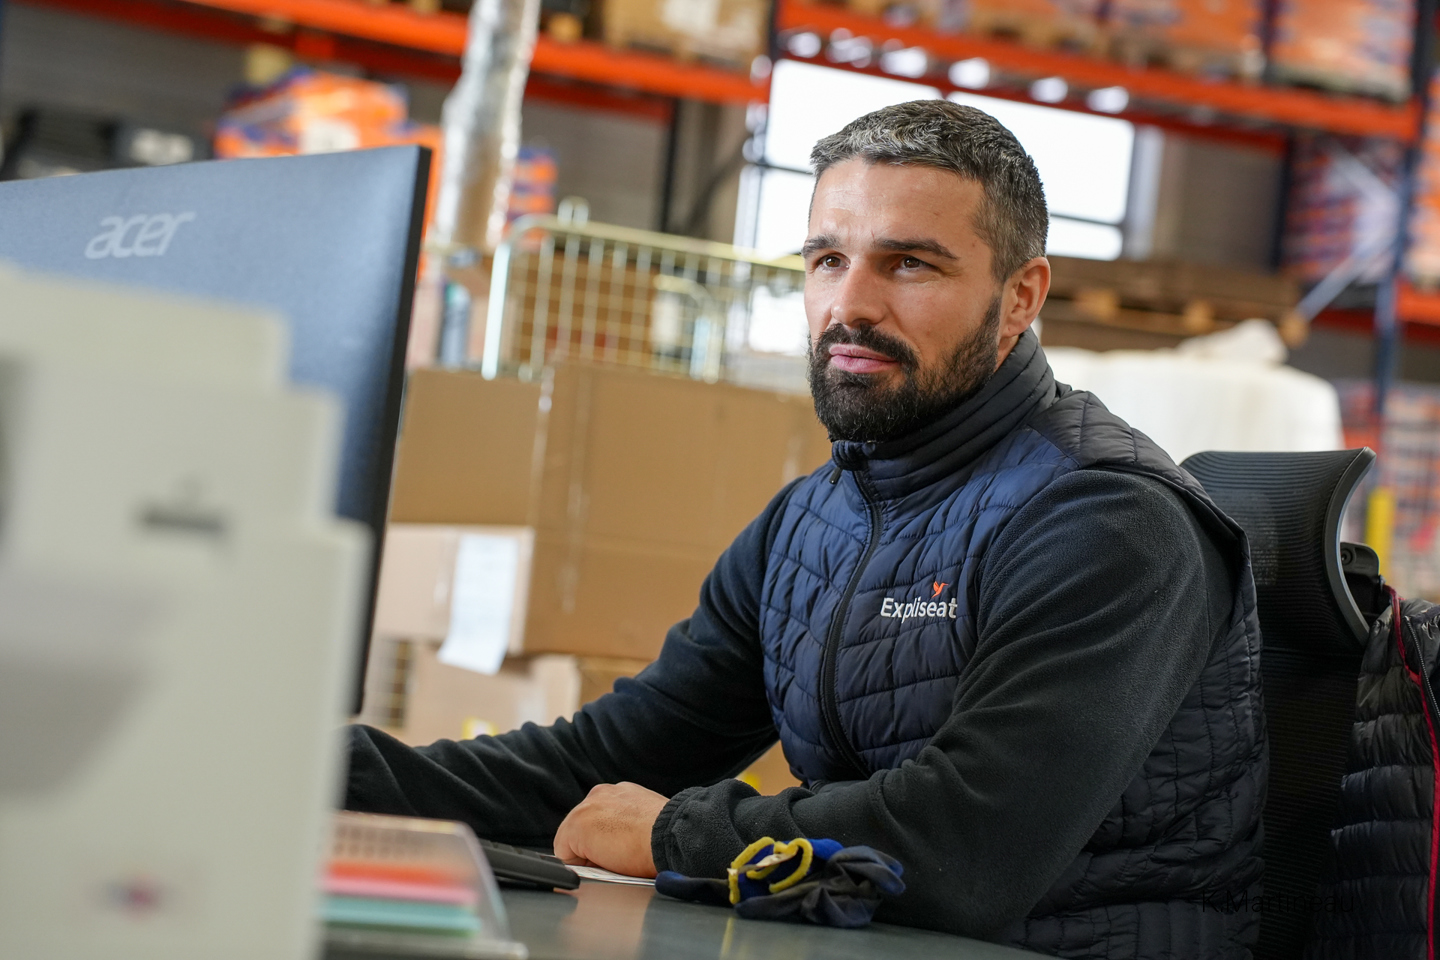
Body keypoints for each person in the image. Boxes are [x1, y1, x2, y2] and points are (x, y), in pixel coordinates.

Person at [346, 100, 1265, 959]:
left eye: (909, 264)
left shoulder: (1109, 521)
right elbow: (609, 758)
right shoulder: (812, 521)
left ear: (1020, 297)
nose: (849, 305)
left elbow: (964, 849)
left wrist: (672, 834)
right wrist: (325, 769)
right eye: (827, 259)